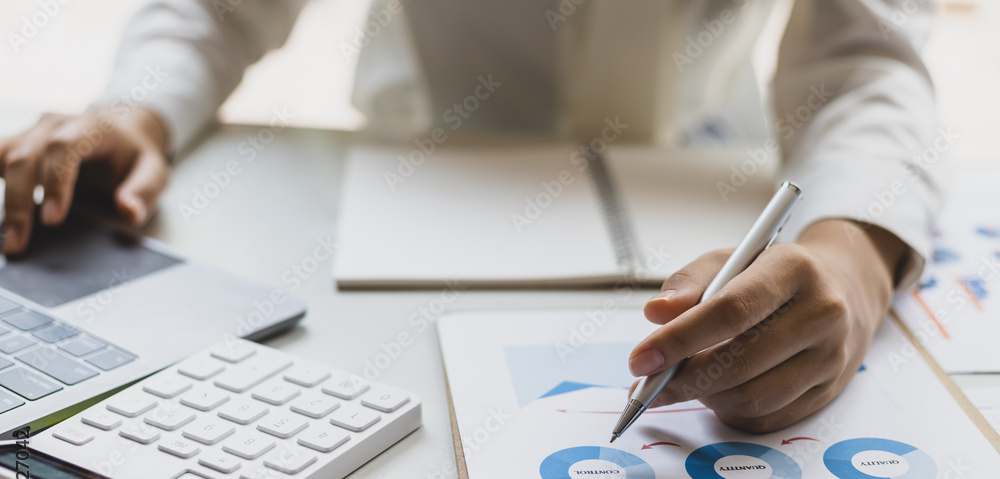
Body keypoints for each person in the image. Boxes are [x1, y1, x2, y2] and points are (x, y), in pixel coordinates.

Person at [0, 0, 944, 432]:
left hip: (687, 189)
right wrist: (137, 105)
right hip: (411, 195)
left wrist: (857, 247)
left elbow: (870, 54)